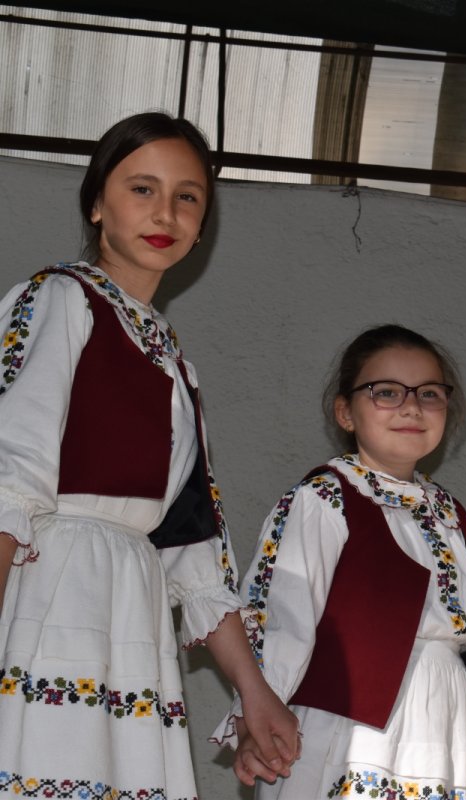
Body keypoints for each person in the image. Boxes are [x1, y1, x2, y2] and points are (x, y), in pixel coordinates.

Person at [0, 112, 297, 799]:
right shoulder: (59, 299)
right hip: (53, 591)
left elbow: (191, 546)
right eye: (142, 189)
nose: (166, 212)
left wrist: (255, 694)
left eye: (187, 196)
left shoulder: (170, 358)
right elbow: (10, 474)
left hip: (130, 613)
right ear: (96, 204)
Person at [227, 324, 466, 798]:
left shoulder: (453, 518)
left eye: (429, 393)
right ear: (345, 412)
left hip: (448, 728)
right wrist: (256, 718)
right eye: (386, 392)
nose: (411, 407)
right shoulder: (324, 500)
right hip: (355, 733)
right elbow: (278, 617)